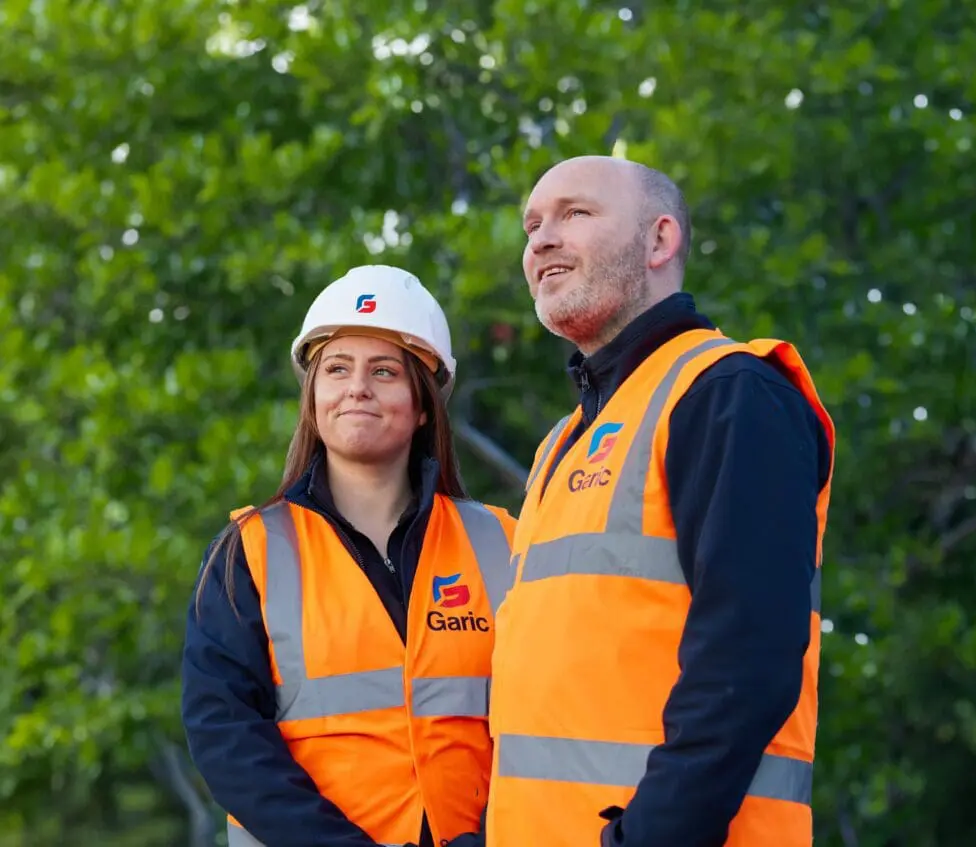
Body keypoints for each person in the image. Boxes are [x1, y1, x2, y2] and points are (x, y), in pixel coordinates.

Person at [485, 156, 836, 847]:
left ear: (659, 240)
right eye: (532, 226)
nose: (541, 239)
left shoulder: (729, 393)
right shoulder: (565, 441)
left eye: (575, 214)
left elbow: (747, 663)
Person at [181, 264, 516, 847]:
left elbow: (540, 714)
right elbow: (226, 737)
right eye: (337, 369)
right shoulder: (248, 554)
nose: (357, 387)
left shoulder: (503, 543)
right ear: (314, 401)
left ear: (421, 407)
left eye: (384, 371)